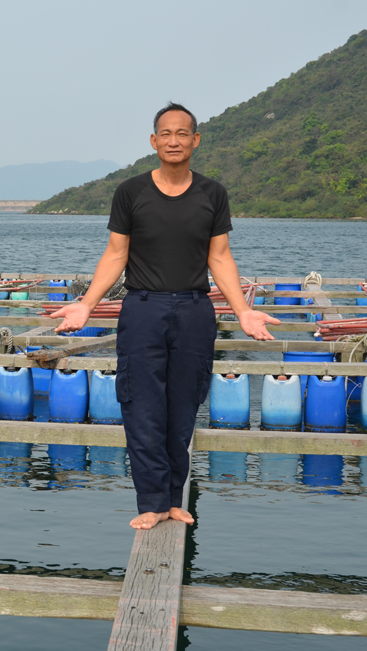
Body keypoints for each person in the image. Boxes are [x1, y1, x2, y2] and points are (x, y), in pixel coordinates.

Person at [51, 102, 279, 530]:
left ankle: (175, 499)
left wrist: (244, 311)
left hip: (195, 310)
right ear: (153, 141)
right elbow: (116, 254)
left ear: (196, 140)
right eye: (165, 133)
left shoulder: (212, 194)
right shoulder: (131, 192)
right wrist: (86, 303)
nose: (174, 140)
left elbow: (221, 257)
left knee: (184, 405)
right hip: (143, 309)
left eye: (182, 133)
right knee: (141, 405)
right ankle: (152, 503)